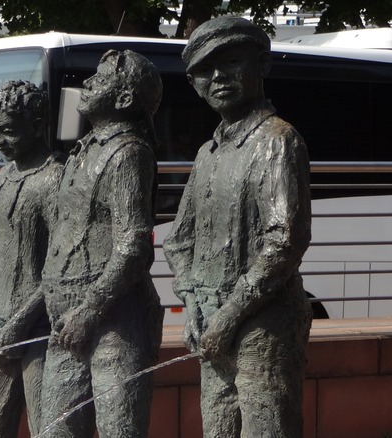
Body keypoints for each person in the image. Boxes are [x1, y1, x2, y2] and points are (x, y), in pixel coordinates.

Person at [163, 16, 313, 437]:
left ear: (261, 64)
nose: (217, 77)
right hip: (211, 320)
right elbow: (179, 241)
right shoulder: (207, 153)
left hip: (263, 325)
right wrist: (192, 302)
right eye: (204, 72)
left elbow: (286, 240)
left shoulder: (278, 140)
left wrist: (228, 317)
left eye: (229, 62)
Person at [39, 49, 164, 438]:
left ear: (125, 99)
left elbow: (133, 247)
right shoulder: (82, 151)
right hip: (67, 321)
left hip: (114, 322)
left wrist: (90, 309)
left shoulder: (128, 152)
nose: (88, 82)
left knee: (119, 430)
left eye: (102, 77)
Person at [0, 80, 63, 438]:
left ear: (37, 125)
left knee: (47, 428)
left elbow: (60, 266)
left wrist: (23, 321)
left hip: (40, 331)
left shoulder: (55, 178)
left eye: (8, 131)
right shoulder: (4, 177)